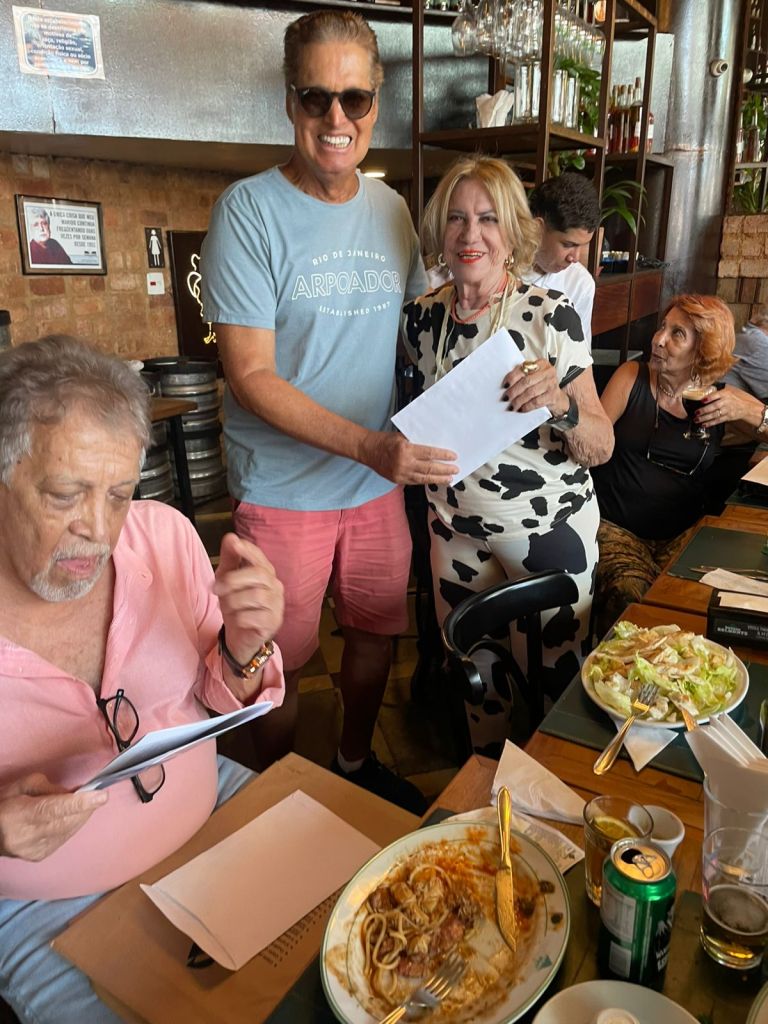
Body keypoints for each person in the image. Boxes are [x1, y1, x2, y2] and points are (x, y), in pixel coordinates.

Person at [200, 10, 455, 813]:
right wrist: (372, 447)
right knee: (276, 659)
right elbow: (250, 376)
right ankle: (276, 797)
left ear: (376, 104)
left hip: (375, 488)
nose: (336, 117)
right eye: (316, 97)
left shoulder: (391, 211)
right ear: (290, 102)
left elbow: (421, 329)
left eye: (354, 98)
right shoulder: (247, 211)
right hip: (285, 489)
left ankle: (351, 762)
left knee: (376, 635)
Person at [0, 335, 286, 1024]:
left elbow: (216, 692)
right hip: (45, 903)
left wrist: (244, 648)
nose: (98, 530)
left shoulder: (162, 535)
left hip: (210, 812)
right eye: (64, 494)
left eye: (120, 495)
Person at [401, 155, 614, 721]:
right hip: (454, 535)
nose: (470, 234)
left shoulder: (552, 316)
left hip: (548, 534)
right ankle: (487, 777)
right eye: (457, 218)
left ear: (514, 230)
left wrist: (561, 404)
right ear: (440, 229)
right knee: (478, 689)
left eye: (488, 218)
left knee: (558, 694)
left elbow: (601, 443)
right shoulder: (420, 320)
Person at [592, 295, 768, 636]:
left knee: (702, 604)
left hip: (681, 534)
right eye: (663, 327)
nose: (658, 339)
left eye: (677, 334)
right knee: (632, 599)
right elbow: (591, 441)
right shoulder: (632, 377)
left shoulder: (720, 400)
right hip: (616, 528)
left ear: (702, 351)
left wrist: (749, 411)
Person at [525, 173, 600, 350]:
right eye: (568, 245)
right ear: (537, 228)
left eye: (583, 245)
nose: (575, 257)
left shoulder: (580, 283)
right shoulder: (497, 265)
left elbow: (579, 357)